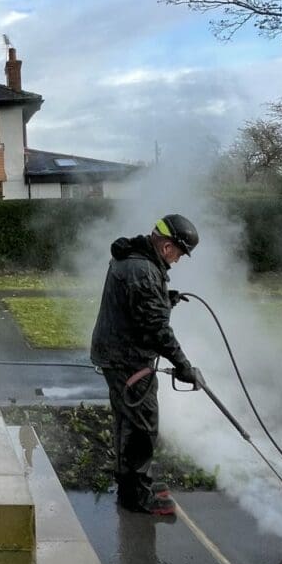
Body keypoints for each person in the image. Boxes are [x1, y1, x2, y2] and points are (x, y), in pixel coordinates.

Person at [89, 214, 200, 518]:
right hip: (128, 360)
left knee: (128, 423)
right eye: (179, 254)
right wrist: (184, 367)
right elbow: (156, 330)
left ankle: (132, 486)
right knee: (142, 427)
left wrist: (164, 298)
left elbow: (138, 305)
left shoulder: (134, 259)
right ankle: (137, 496)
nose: (177, 261)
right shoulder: (142, 270)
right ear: (167, 247)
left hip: (118, 355)